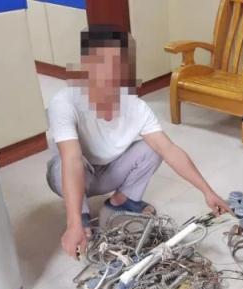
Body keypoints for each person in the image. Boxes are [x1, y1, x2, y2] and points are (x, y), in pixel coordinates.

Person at [46, 26, 229, 258]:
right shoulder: (64, 102)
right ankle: (80, 217)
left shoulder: (135, 106)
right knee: (62, 164)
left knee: (154, 148)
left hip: (110, 172)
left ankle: (120, 201)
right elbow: (72, 161)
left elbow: (169, 149)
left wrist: (207, 192)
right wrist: (73, 224)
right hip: (78, 173)